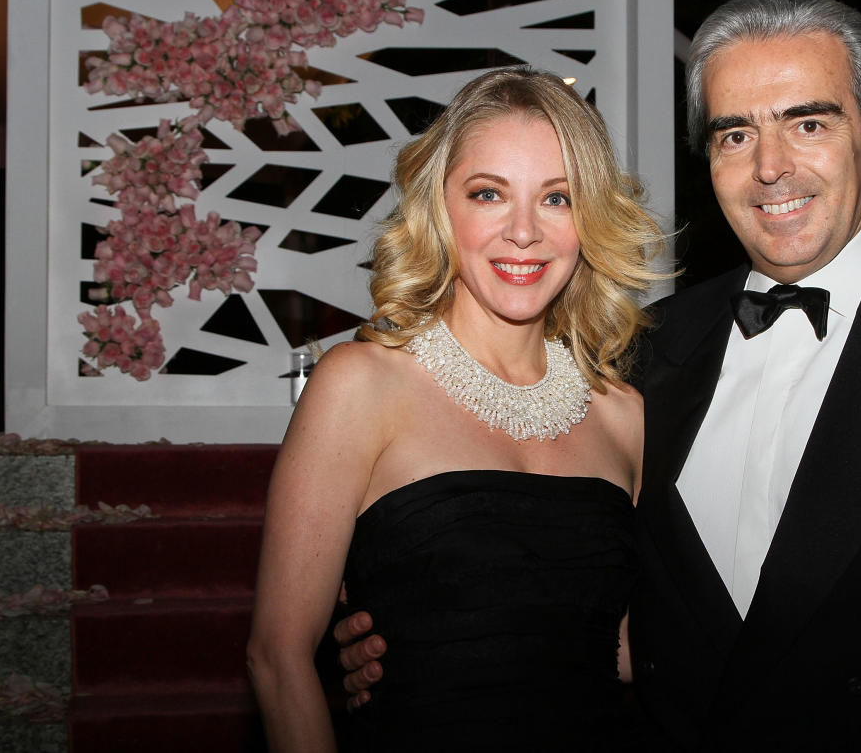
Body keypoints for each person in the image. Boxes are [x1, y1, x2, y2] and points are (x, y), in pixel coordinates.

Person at [338, 0, 861, 750]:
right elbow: (544, 570)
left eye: (808, 123)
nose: (771, 167)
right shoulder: (634, 354)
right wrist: (398, 634)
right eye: (735, 134)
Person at [246, 67, 666, 752]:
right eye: (489, 193)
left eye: (557, 198)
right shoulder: (359, 385)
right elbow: (276, 658)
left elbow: (629, 653)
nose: (524, 231)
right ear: (441, 207)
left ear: (588, 219)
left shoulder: (625, 415)